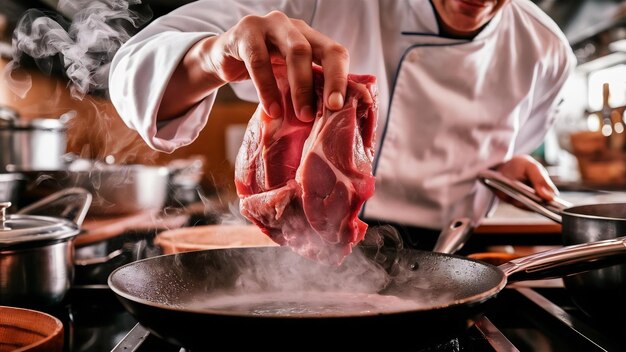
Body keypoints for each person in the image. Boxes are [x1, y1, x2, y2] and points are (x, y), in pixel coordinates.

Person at [108, 0, 576, 250]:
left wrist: (509, 166)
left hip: (449, 250)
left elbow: (519, 144)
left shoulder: (547, 51)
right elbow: (132, 67)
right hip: (313, 232)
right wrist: (211, 58)